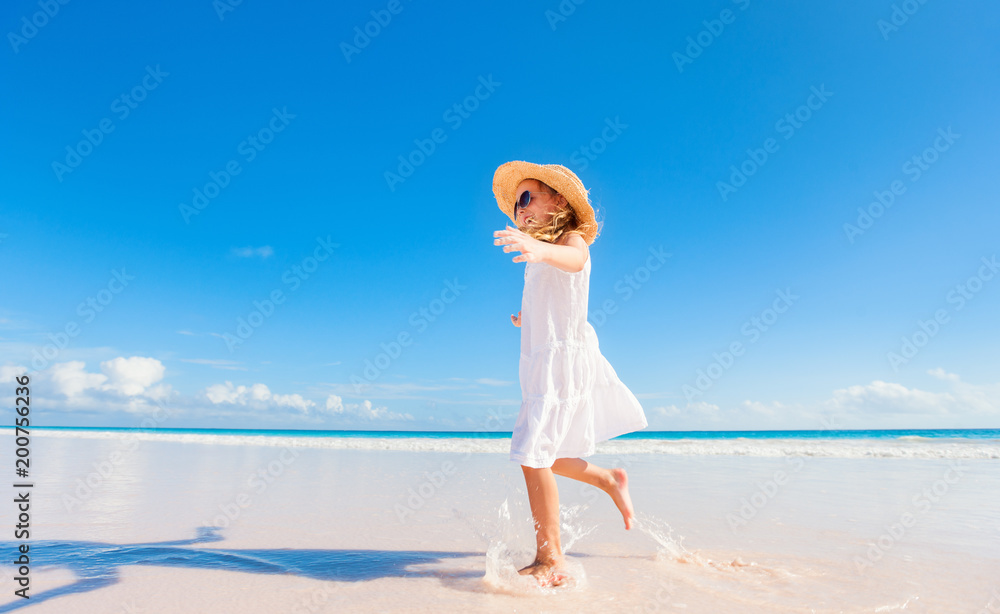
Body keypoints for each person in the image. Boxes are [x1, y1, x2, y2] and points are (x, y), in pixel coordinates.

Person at [491, 161, 649, 588]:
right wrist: (526, 317)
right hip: (539, 361)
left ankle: (551, 558)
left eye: (527, 197)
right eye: (516, 205)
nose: (520, 209)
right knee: (550, 455)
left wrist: (540, 250)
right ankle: (609, 479)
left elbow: (575, 261)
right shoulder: (537, 257)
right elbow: (550, 299)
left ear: (558, 200)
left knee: (532, 453)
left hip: (562, 362)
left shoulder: (568, 241)